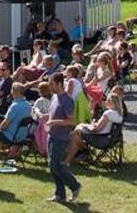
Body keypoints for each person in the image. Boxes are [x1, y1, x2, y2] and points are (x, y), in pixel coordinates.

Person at [44, 72, 82, 203]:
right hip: (52, 135)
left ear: (60, 83)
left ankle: (75, 185)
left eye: (52, 84)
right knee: (52, 165)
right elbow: (52, 113)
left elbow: (71, 121)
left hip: (61, 137)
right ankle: (60, 194)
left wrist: (53, 122)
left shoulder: (67, 100)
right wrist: (48, 122)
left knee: (56, 165)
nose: (50, 86)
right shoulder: (55, 97)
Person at [64, 86, 124, 163]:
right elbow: (104, 126)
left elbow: (97, 129)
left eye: (107, 100)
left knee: (76, 132)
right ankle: (78, 154)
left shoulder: (108, 113)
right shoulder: (119, 115)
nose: (105, 102)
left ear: (112, 102)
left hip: (101, 139)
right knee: (78, 132)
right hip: (111, 139)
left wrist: (90, 126)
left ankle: (82, 152)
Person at [0, 82, 33, 162]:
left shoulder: (15, 106)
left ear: (15, 92)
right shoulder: (28, 105)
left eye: (12, 90)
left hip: (12, 136)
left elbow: (5, 124)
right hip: (22, 135)